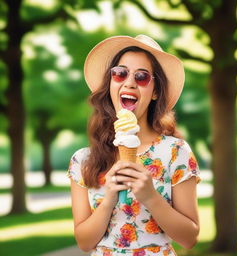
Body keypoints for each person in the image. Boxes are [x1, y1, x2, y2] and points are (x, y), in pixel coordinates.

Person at [67, 34, 201, 256]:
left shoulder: (175, 152)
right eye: (119, 73)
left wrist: (150, 196)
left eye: (141, 77)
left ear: (155, 91)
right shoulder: (83, 160)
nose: (129, 82)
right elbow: (84, 243)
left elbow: (189, 238)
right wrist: (110, 196)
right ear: (110, 83)